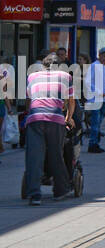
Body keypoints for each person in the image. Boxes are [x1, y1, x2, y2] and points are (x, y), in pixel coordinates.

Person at [23, 53, 76, 205]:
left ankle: (34, 195)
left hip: (35, 120)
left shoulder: (32, 77)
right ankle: (60, 190)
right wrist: (68, 118)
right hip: (55, 119)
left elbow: (29, 100)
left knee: (34, 158)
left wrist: (29, 115)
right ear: (59, 65)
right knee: (56, 155)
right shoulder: (66, 76)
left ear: (43, 65)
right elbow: (70, 101)